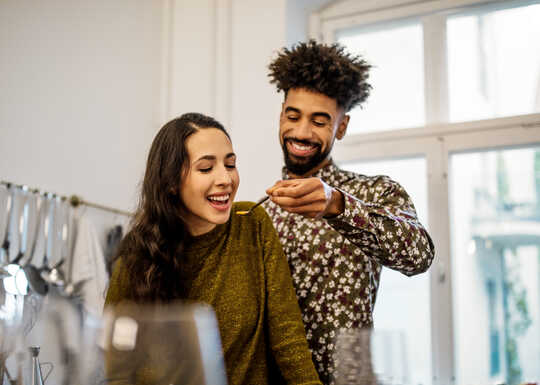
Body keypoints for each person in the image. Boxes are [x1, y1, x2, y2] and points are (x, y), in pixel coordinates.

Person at [263, 40, 436, 384]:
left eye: (319, 121)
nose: (301, 132)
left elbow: (419, 256)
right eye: (293, 116)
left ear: (341, 127)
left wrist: (337, 205)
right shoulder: (261, 213)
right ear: (281, 114)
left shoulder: (375, 193)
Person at [104, 113, 322, 385]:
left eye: (230, 165)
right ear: (171, 182)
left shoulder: (253, 224)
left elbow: (289, 341)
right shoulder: (137, 252)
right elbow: (116, 367)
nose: (225, 179)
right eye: (206, 168)